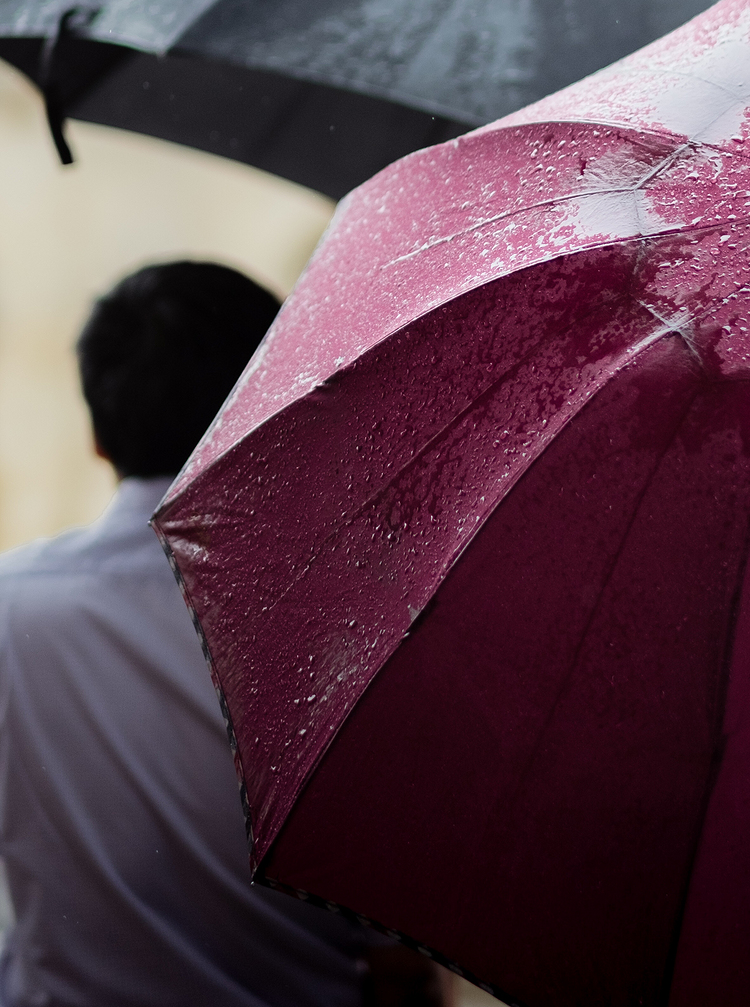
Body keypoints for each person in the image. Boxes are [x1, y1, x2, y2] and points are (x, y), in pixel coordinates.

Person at [0, 261, 439, 1007]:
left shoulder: (14, 612)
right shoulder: (363, 633)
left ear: (98, 437)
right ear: (277, 412)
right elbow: (399, 963)